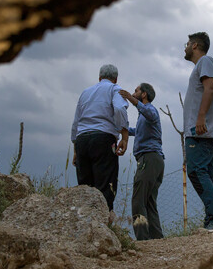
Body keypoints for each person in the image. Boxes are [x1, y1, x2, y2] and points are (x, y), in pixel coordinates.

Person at [183, 32, 213, 229]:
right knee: (207, 172)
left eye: (186, 44)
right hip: (203, 130)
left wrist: (200, 118)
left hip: (200, 130)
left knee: (196, 170)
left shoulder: (206, 62)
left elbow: (210, 87)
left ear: (194, 45)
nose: (184, 47)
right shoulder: (203, 65)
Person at [71, 64, 129, 216]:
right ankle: (103, 224)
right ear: (115, 79)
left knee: (85, 187)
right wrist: (124, 135)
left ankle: (84, 221)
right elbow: (119, 108)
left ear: (99, 78)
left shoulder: (85, 93)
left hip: (82, 139)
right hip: (103, 138)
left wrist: (75, 148)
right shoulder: (114, 89)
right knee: (105, 185)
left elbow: (76, 122)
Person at [119, 83, 165, 240]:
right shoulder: (142, 118)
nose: (133, 92)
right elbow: (135, 131)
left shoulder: (150, 110)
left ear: (144, 94)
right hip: (155, 160)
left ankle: (143, 240)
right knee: (149, 202)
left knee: (138, 200)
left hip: (149, 158)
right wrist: (121, 129)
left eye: (136, 91)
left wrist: (131, 99)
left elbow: (149, 113)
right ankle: (157, 239)